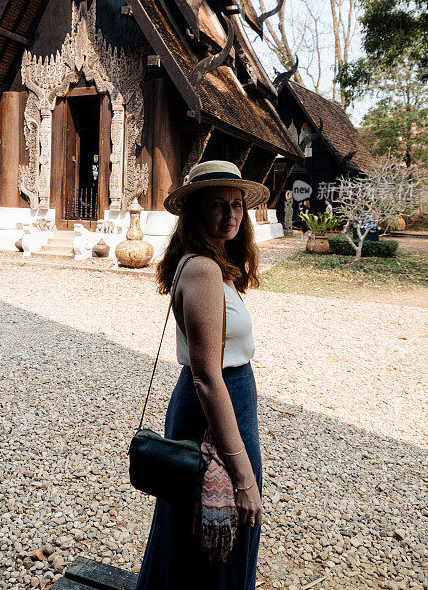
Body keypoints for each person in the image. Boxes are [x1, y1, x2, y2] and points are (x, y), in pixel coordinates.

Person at [134, 160, 267, 590]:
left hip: (220, 400)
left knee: (191, 527)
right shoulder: (204, 271)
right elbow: (209, 377)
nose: (230, 215)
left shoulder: (207, 264)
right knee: (227, 519)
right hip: (217, 403)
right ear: (194, 212)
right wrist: (242, 473)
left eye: (236, 205)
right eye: (217, 205)